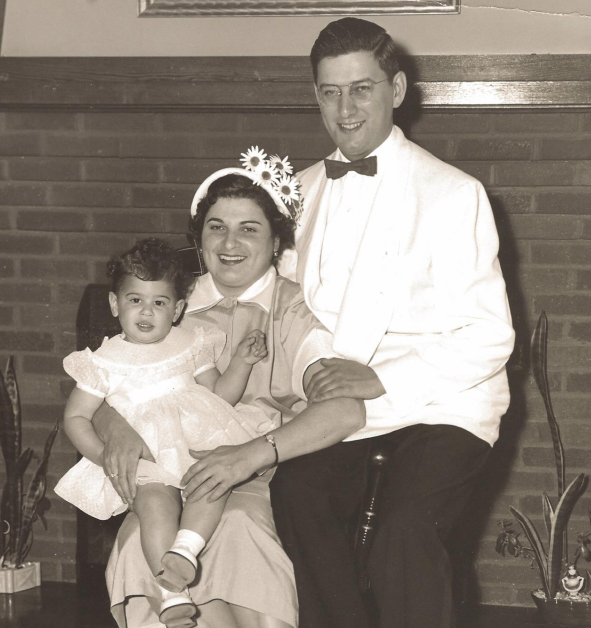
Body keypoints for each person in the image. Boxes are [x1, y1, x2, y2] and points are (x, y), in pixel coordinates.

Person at [181, 17, 516, 628]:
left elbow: (488, 336)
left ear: (397, 88)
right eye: (331, 92)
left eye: (362, 88)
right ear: (316, 97)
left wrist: (379, 379)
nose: (346, 107)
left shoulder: (452, 193)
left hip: (441, 404)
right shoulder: (295, 194)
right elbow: (247, 285)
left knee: (405, 530)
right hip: (335, 412)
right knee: (298, 496)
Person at [91, 150, 367, 628]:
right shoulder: (170, 303)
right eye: (216, 226)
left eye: (249, 228)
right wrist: (114, 425)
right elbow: (108, 377)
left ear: (276, 239)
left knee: (239, 527)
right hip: (173, 469)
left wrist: (250, 455)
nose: (230, 242)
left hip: (260, 470)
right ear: (198, 239)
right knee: (142, 534)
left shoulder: (295, 310)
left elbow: (345, 410)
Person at [56, 237, 270, 627]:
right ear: (114, 304)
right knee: (156, 505)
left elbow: (220, 393)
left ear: (178, 309)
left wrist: (242, 362)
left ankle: (185, 551)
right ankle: (171, 593)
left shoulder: (191, 343)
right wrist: (105, 458)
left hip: (198, 444)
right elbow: (76, 418)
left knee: (211, 484)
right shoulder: (104, 362)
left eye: (159, 302)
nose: (147, 311)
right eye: (135, 300)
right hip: (147, 458)